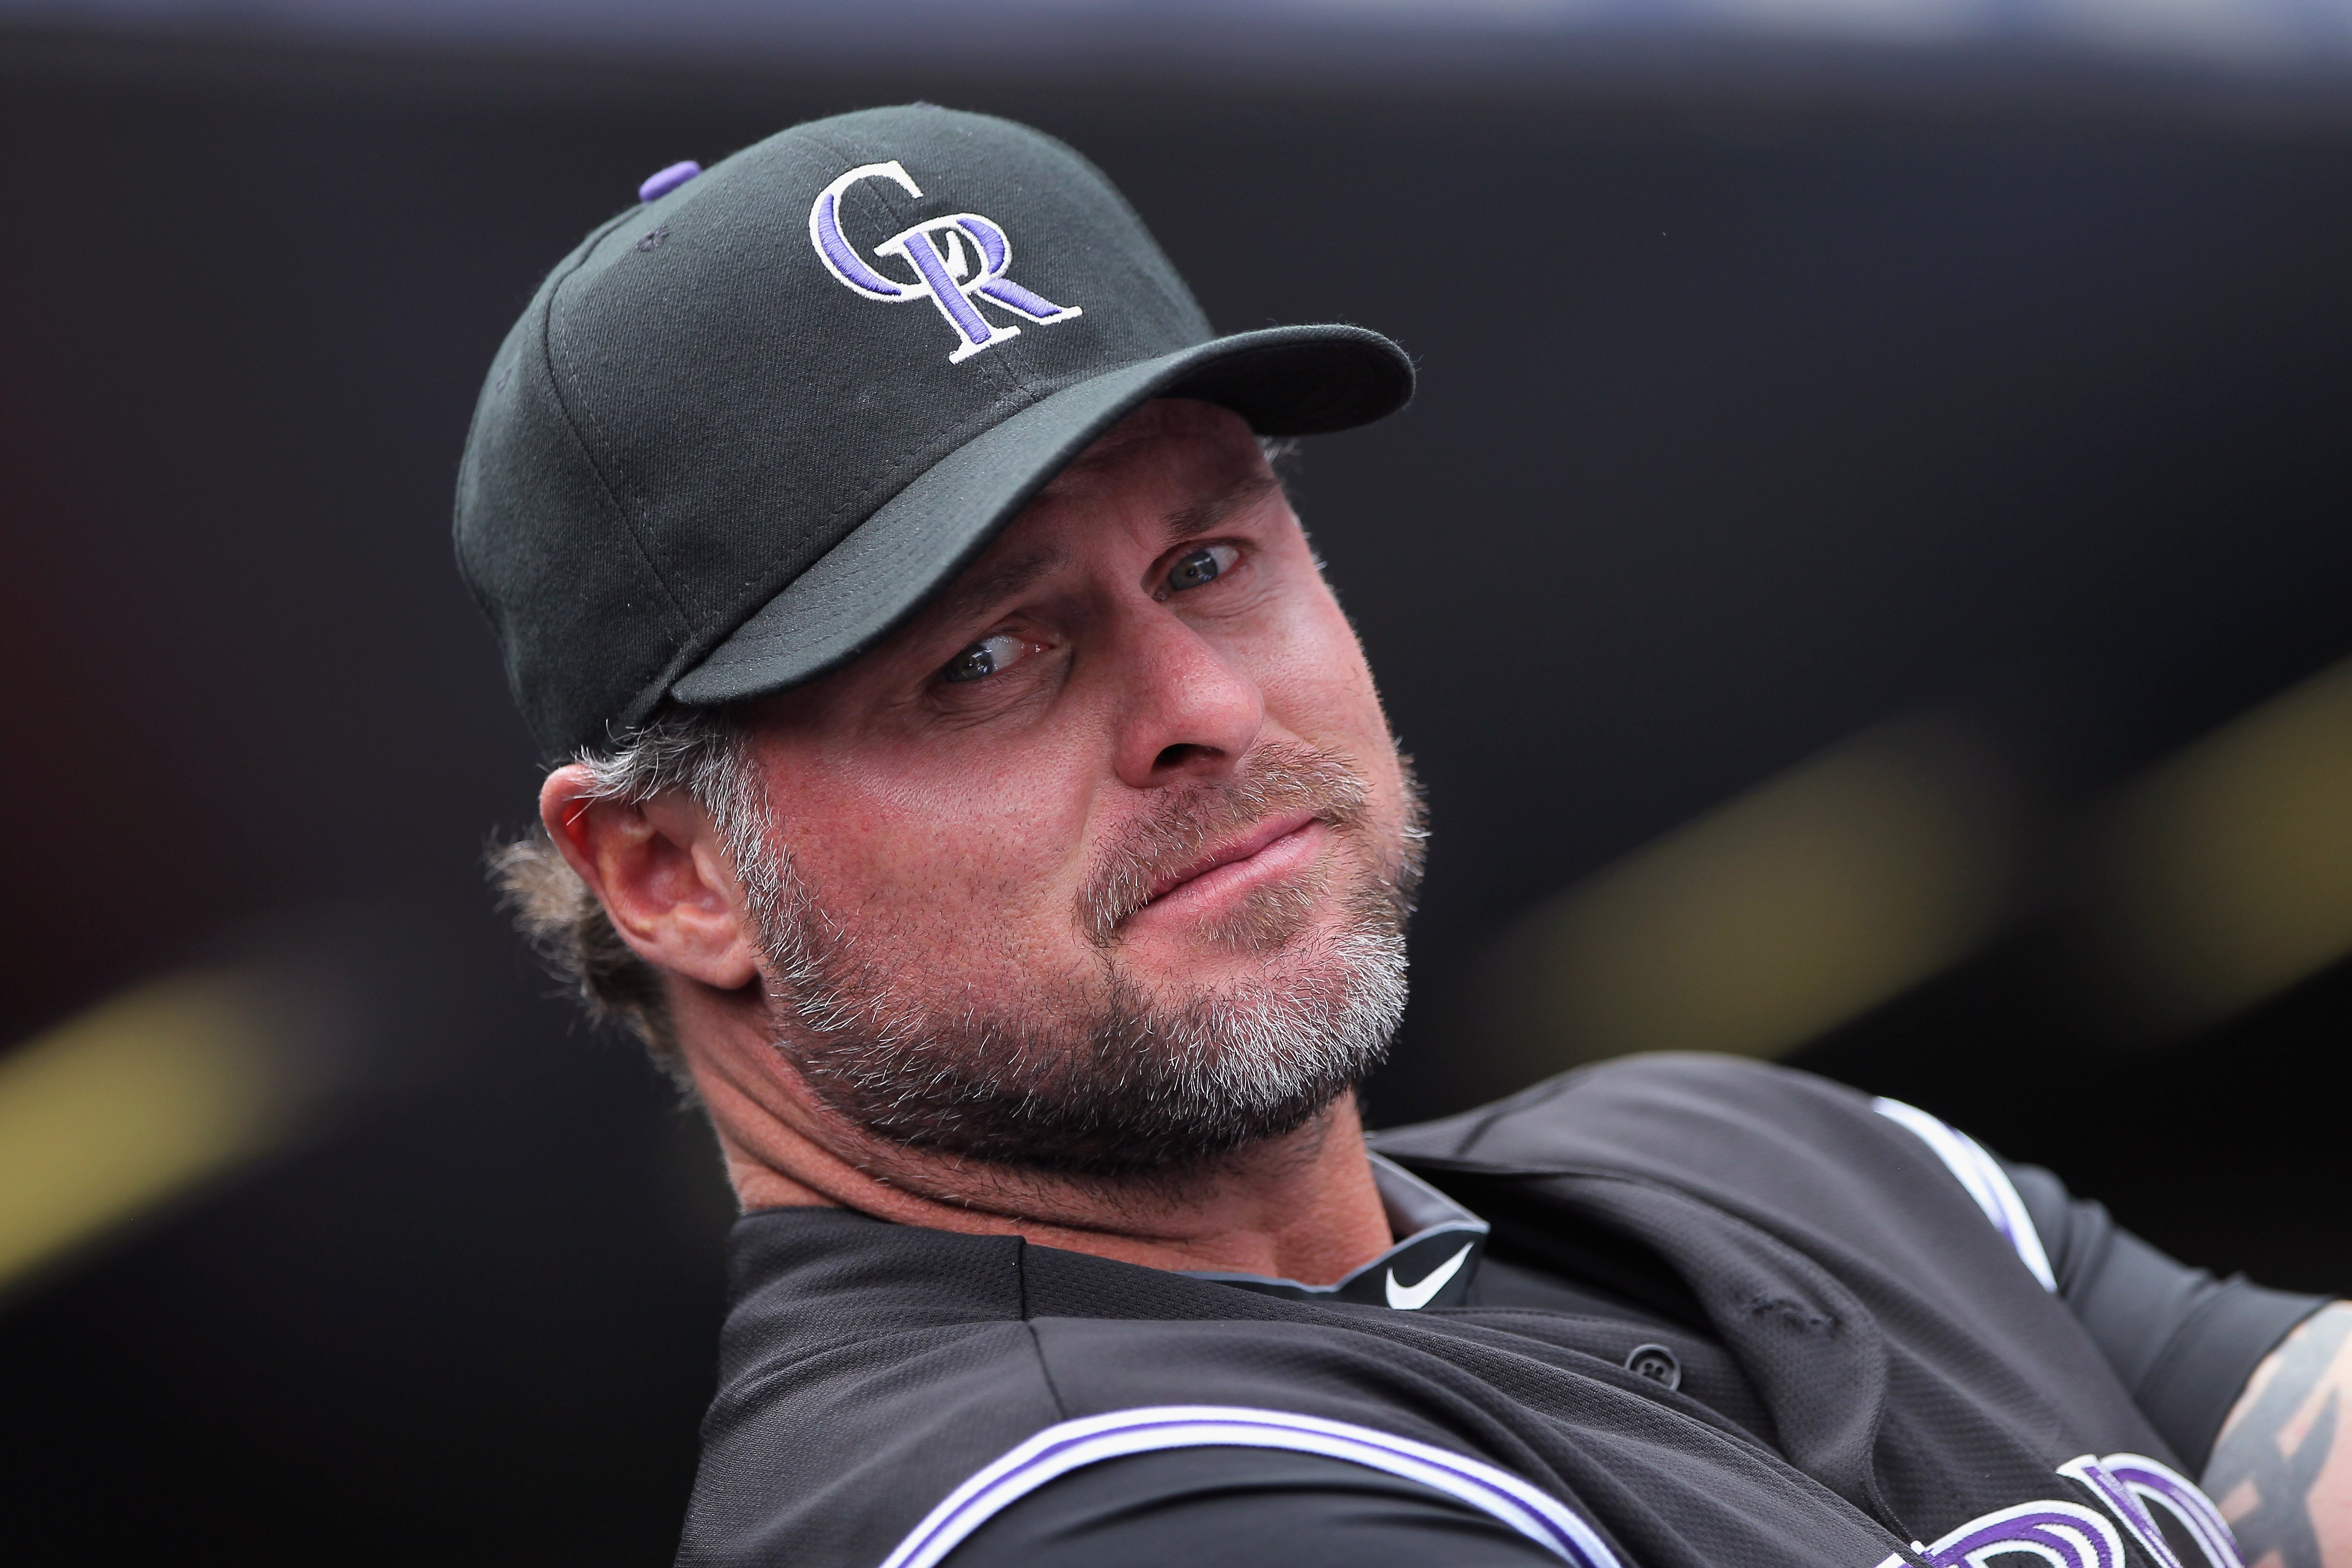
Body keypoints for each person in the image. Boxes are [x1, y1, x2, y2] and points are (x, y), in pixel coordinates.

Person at [455, 105, 2348, 1568]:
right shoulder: (1041, 1508)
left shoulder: (1746, 1157)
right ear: (671, 877)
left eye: (1211, 555)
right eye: (993, 655)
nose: (1199, 701)